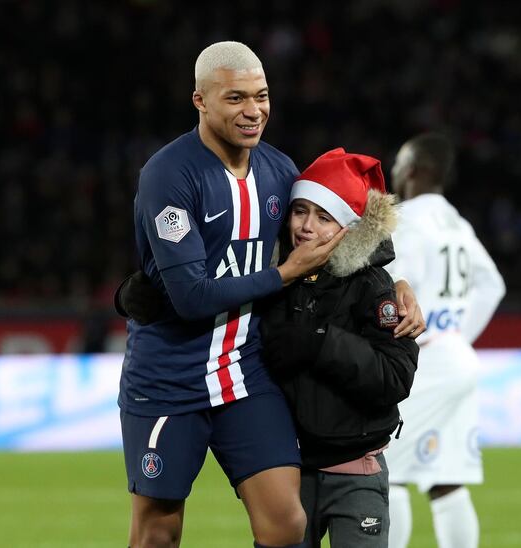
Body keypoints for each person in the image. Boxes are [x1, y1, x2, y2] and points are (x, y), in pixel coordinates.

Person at [118, 40, 352, 548]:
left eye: (262, 96)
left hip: (246, 375)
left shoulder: (281, 172)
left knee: (287, 523)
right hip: (169, 379)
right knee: (157, 534)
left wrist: (396, 282)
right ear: (200, 101)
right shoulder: (169, 175)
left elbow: (341, 234)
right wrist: (284, 273)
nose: (254, 111)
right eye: (236, 98)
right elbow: (192, 299)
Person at [259, 148, 419, 547]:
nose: (306, 227)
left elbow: (394, 377)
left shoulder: (374, 287)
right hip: (287, 476)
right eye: (299, 211)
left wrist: (321, 341)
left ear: (348, 226)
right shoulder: (272, 280)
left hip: (356, 474)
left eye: (323, 216)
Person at [382, 132, 506, 548]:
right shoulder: (457, 222)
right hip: (456, 355)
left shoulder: (405, 221)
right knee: (445, 478)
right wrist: (456, 333)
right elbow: (492, 285)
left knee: (387, 468)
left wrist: (430, 335)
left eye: (399, 163)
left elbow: (391, 284)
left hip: (425, 360)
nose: (394, 170)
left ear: (414, 169)